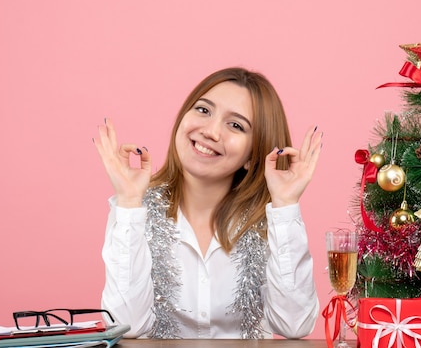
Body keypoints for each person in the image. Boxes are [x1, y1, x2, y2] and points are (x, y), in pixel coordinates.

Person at [94, 67, 322, 339]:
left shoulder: (269, 222)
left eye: (236, 125)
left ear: (253, 155)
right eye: (203, 110)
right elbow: (126, 325)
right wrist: (130, 201)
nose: (211, 131)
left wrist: (285, 204)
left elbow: (295, 324)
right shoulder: (135, 211)